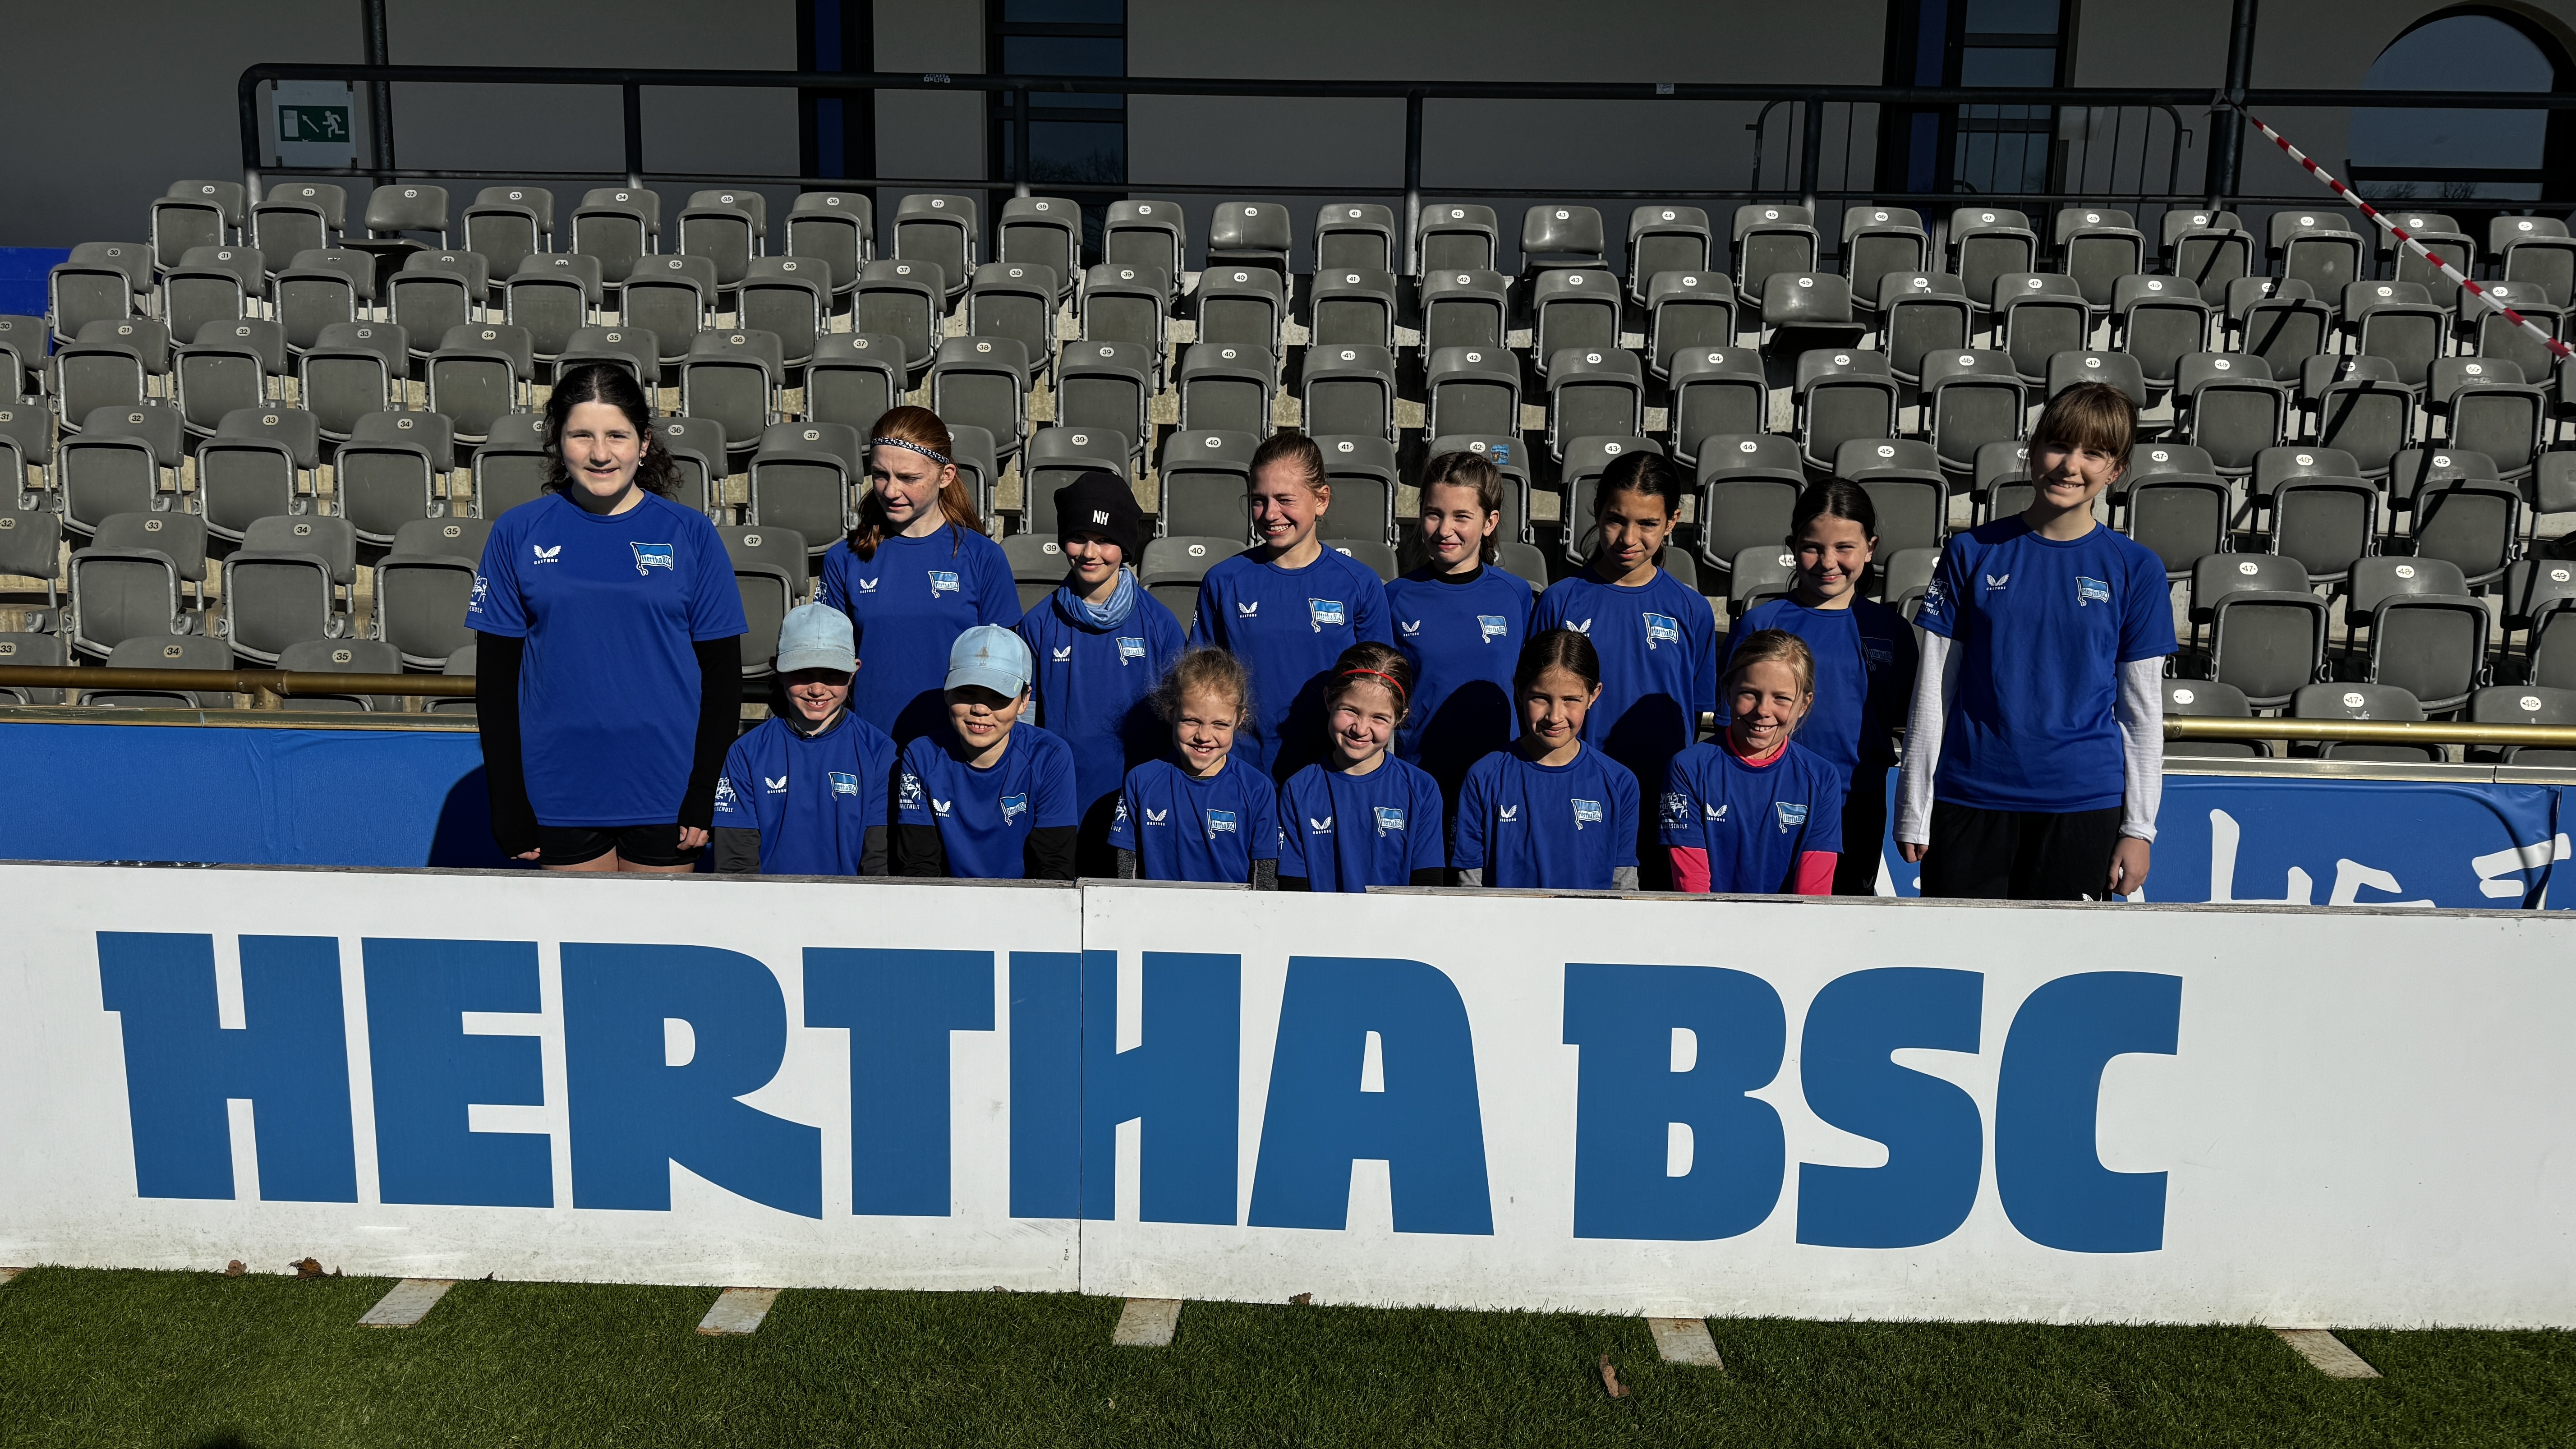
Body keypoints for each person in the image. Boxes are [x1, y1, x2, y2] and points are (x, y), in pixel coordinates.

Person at [1897, 381, 2174, 901]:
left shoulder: (2137, 568)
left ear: (2116, 471)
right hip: (1970, 799)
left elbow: (2141, 712)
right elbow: (1934, 690)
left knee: (2062, 951)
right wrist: (1915, 805)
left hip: (2083, 807)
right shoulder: (1971, 552)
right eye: (2059, 445)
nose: (2071, 465)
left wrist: (2139, 828)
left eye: (2093, 454)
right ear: (2034, 448)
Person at [468, 363, 745, 873]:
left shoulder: (691, 534)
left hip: (667, 789)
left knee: (657, 929)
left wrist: (704, 789)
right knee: (576, 930)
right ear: (559, 443)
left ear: (643, 443)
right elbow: (496, 684)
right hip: (557, 790)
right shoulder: (517, 532)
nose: (600, 453)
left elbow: (723, 678)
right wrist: (507, 799)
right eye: (582, 436)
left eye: (617, 435)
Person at [1530, 451, 1716, 889]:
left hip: (1661, 803)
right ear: (1597, 511)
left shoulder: (1692, 609)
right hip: (1574, 797)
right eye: (1616, 520)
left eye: (1647, 523)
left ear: (1672, 521)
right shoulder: (1560, 601)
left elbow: (1696, 716)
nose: (1629, 537)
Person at [1726, 481, 1918, 895]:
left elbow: (1907, 724)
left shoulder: (1892, 632)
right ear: (1792, 546)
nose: (1828, 562)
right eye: (1813, 548)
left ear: (1871, 547)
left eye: (1844, 548)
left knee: (1843, 919)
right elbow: (1733, 723)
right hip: (1767, 799)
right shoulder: (1762, 623)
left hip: (1857, 807)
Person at [1186, 432, 1393, 780]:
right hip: (1241, 773)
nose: (1270, 514)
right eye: (1259, 500)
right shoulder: (1223, 580)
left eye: (1285, 499)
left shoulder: (1360, 584)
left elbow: (1380, 690)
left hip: (1331, 775)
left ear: (1321, 499)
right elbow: (1200, 683)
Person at [1016, 469, 1186, 876]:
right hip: (1060, 808)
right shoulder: (1038, 624)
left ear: (1125, 546)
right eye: (1079, 537)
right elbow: (1022, 727)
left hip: (1138, 807)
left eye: (1106, 539)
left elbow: (1180, 724)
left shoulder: (1160, 625)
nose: (1090, 552)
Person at [818, 406, 1019, 743]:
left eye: (909, 478)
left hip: (955, 753)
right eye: (880, 475)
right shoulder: (845, 558)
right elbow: (826, 665)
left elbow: (1004, 673)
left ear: (946, 476)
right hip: (870, 747)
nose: (891, 491)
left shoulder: (984, 558)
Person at [1386, 450, 1533, 831]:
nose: (1444, 529)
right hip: (1422, 779)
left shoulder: (1516, 595)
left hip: (1501, 782)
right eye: (1434, 514)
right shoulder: (1396, 597)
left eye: (1461, 516)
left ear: (1489, 522)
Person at [710, 604, 896, 876]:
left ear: (854, 671)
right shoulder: (746, 753)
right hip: (767, 902)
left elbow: (879, 864)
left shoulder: (880, 751)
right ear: (777, 669)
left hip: (854, 902)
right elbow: (735, 866)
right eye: (802, 673)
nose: (817, 689)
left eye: (832, 674)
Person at [1452, 628, 1640, 891]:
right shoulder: (1484, 777)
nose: (1555, 716)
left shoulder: (1620, 783)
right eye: (1541, 698)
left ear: (1593, 695)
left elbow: (1624, 887)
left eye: (1571, 700)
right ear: (1519, 690)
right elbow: (1469, 888)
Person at [1661, 630, 1846, 895]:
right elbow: (1693, 889)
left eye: (1781, 698)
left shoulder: (1822, 778)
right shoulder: (1689, 769)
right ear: (1727, 692)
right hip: (1708, 919)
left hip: (1791, 921)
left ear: (1804, 705)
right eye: (1750, 694)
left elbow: (1813, 896)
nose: (1763, 710)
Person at [892, 625, 1080, 880]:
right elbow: (918, 867)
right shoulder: (921, 756)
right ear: (947, 692)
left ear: (1024, 699)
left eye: (998, 695)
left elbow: (1055, 869)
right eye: (966, 692)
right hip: (943, 901)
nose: (980, 709)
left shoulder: (1050, 756)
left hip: (1027, 902)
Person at [1275, 641, 1448, 892]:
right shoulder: (1298, 790)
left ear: (1400, 718)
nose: (1361, 729)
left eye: (1379, 718)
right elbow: (1293, 890)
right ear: (1329, 700)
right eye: (1350, 711)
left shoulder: (1422, 789)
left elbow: (1428, 887)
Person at [1109, 647, 1278, 887]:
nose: (1204, 736)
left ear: (1239, 719)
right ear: (1171, 712)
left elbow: (1265, 879)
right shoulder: (1141, 781)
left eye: (1220, 724)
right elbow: (1126, 873)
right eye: (1192, 721)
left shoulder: (1257, 788)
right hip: (1156, 910)